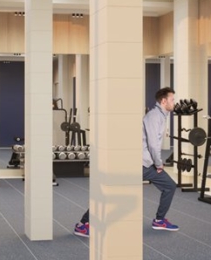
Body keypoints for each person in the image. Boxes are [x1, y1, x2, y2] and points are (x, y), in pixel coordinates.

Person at [74, 87, 179, 237]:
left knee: (169, 186)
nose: (174, 102)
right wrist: (159, 164)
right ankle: (83, 224)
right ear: (163, 101)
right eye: (172, 99)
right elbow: (153, 144)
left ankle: (159, 220)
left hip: (146, 164)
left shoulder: (161, 116)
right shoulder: (154, 116)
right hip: (138, 163)